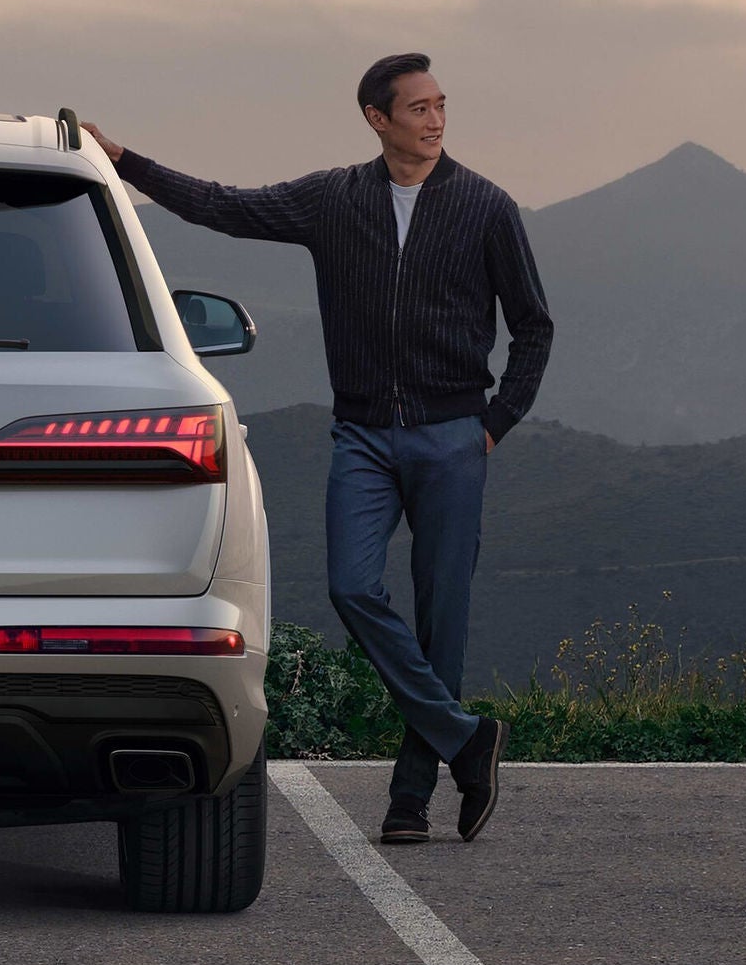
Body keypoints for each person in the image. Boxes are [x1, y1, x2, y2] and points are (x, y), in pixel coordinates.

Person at [84, 54, 552, 844]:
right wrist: (125, 163)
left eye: (442, 106)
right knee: (351, 587)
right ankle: (467, 739)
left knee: (444, 622)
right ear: (378, 118)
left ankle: (410, 800)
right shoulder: (334, 199)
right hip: (364, 435)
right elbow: (223, 206)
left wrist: (496, 422)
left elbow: (533, 325)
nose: (436, 120)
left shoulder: (485, 207)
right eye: (419, 109)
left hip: (453, 436)